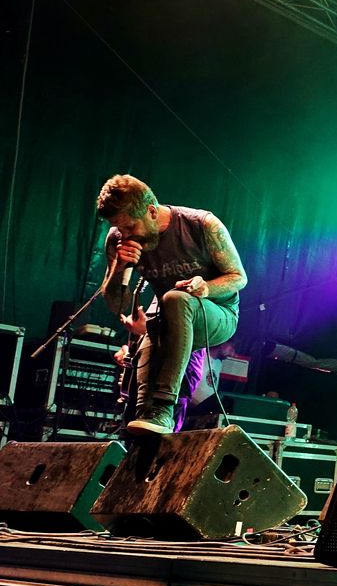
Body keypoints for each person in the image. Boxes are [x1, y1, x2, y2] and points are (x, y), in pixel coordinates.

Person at [98, 175, 246, 435]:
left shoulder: (201, 224)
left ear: (151, 211)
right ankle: (151, 424)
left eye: (130, 226)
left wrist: (206, 287)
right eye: (118, 227)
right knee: (141, 409)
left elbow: (239, 277)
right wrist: (119, 267)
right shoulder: (117, 240)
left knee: (175, 299)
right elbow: (117, 305)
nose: (125, 234)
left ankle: (165, 406)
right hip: (167, 319)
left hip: (217, 314)